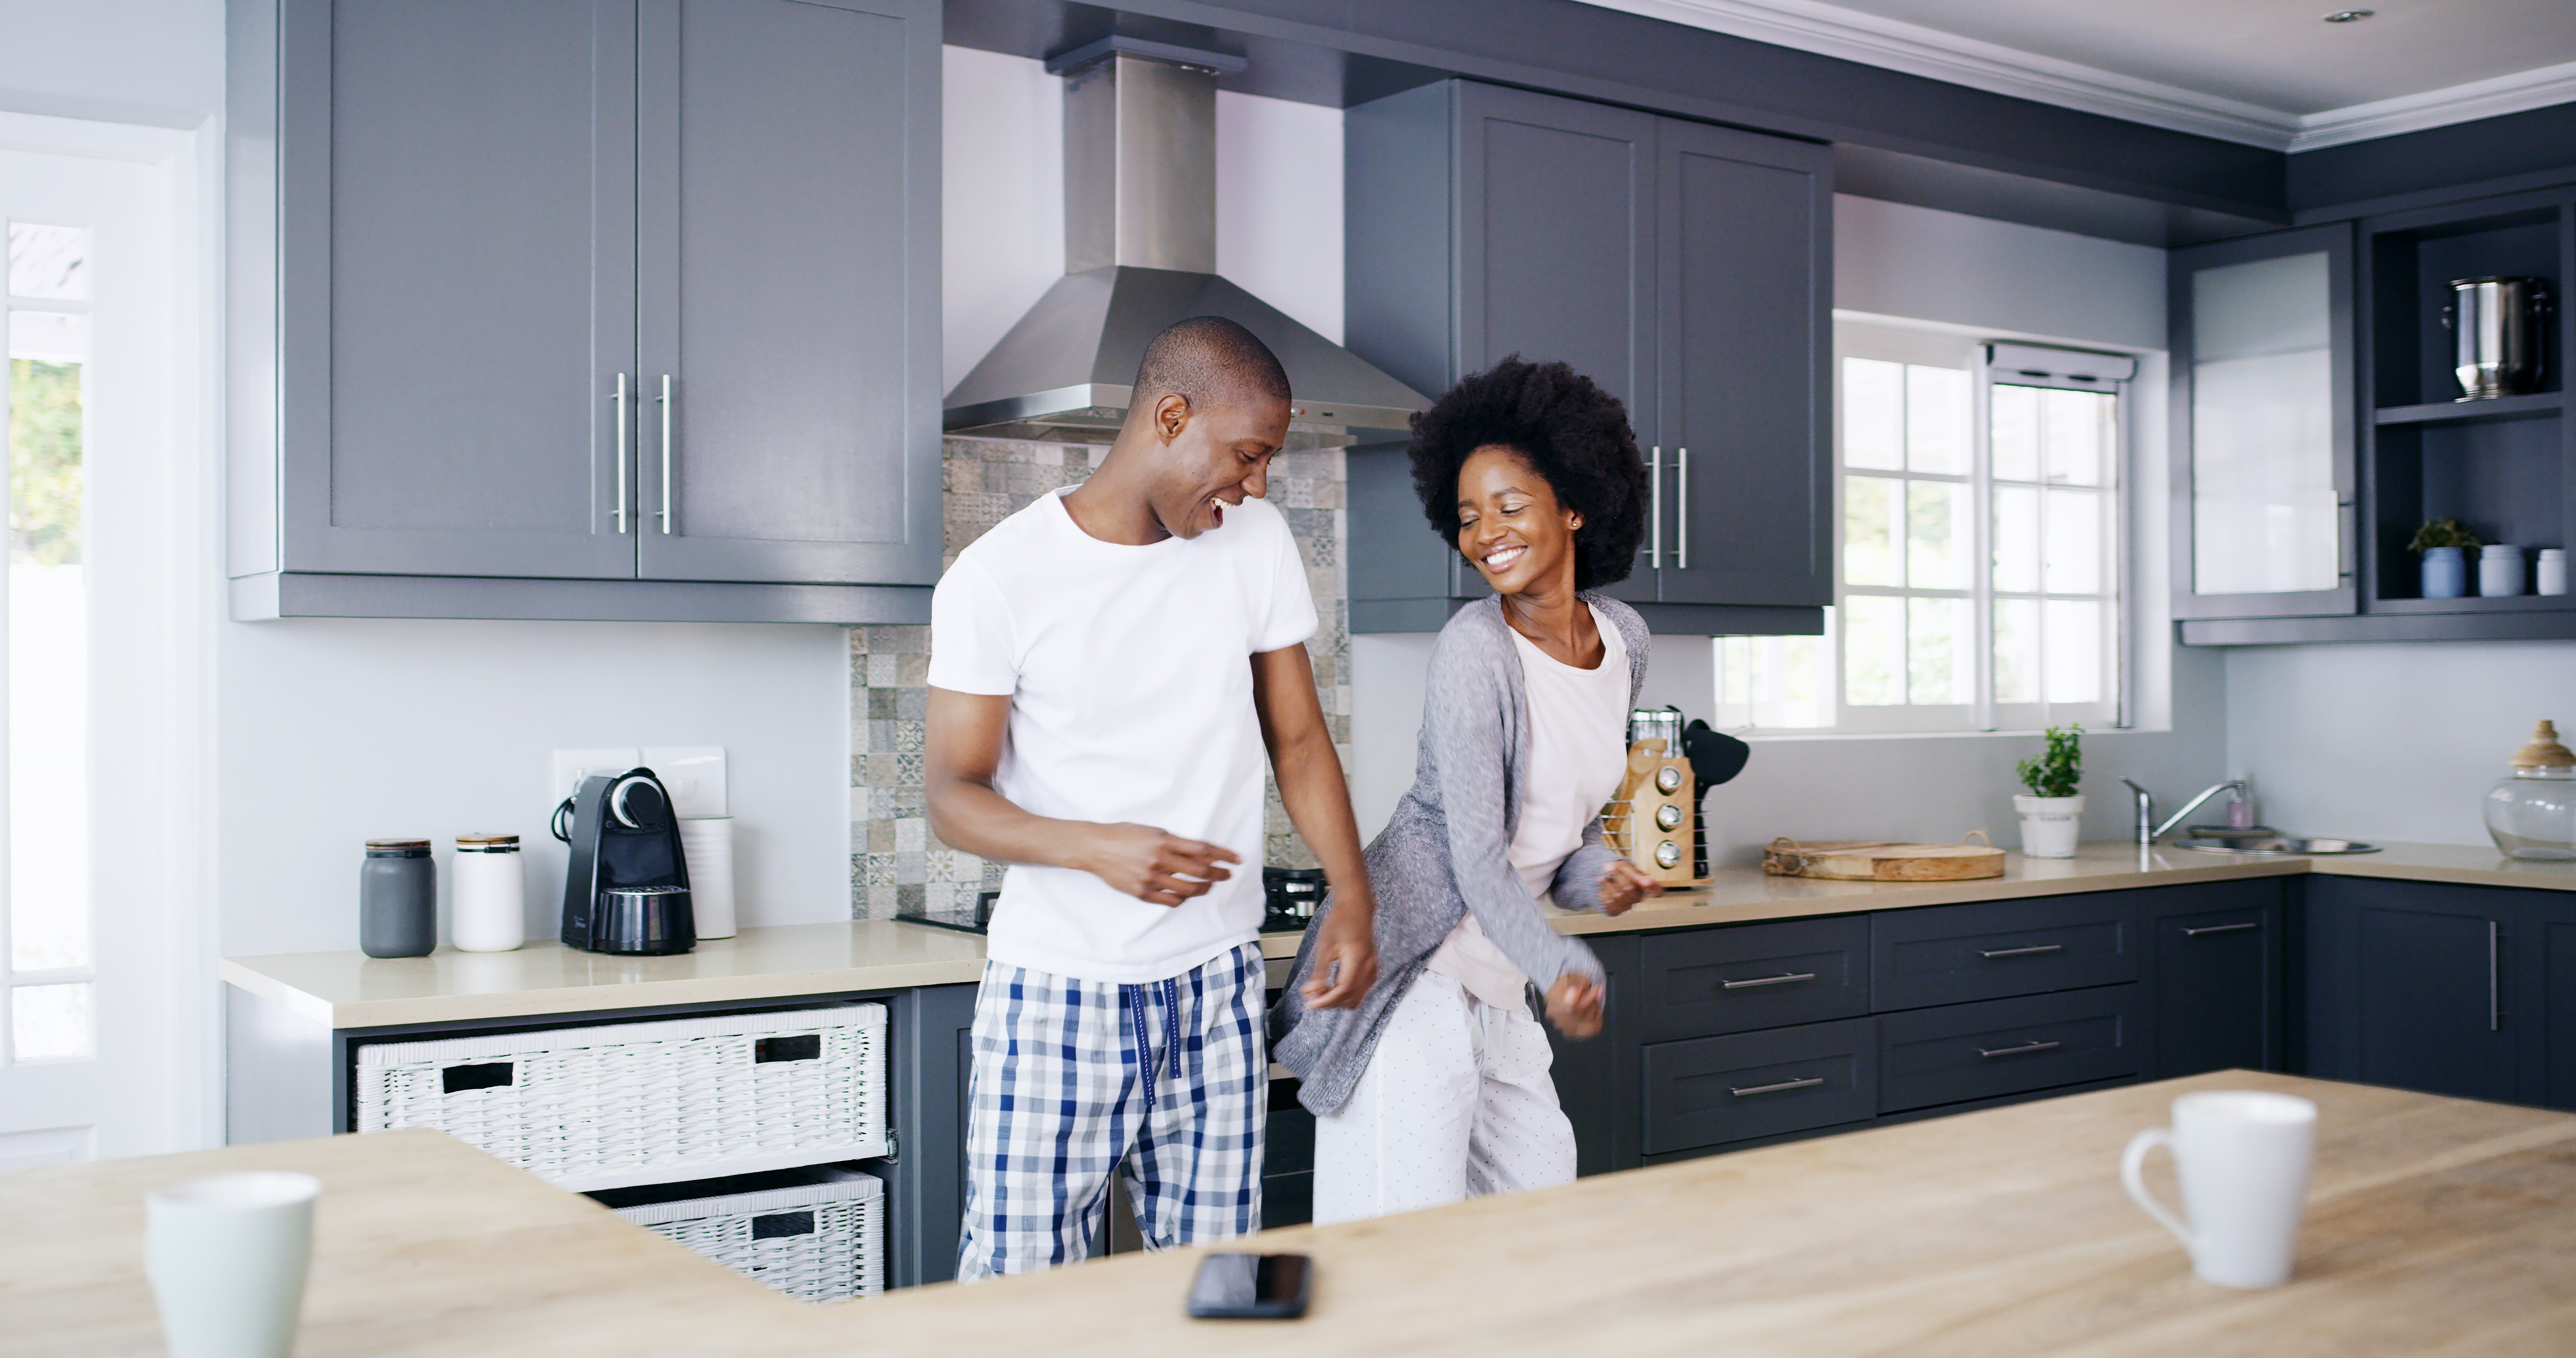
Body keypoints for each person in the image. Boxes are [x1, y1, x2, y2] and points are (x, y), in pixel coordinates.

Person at [924, 315, 1379, 1279]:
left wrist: (1352, 893)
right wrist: (1095, 846)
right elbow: (952, 797)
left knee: (1220, 1287)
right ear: (1172, 417)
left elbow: (1299, 741)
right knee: (1020, 1302)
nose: (1257, 485)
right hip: (1056, 996)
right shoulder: (997, 577)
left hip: (1215, 987)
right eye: (1248, 454)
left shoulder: (1254, 544)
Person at [1275, 356, 1660, 1224]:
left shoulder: (1624, 640)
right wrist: (1561, 964)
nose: (1487, 533)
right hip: (1413, 973)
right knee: (1397, 1242)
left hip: (1499, 978)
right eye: (1468, 516)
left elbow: (1565, 827)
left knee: (1538, 1220)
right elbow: (1479, 858)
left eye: (1510, 506)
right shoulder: (1473, 649)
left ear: (1574, 504)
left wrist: (1600, 874)